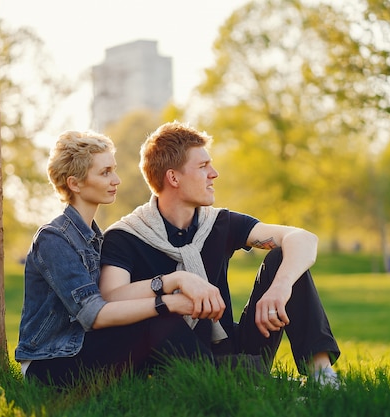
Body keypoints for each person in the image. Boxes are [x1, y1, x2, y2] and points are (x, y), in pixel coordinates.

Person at [99, 121, 341, 387]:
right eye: (203, 167)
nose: (213, 174)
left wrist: (280, 287)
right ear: (173, 177)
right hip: (172, 356)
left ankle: (323, 378)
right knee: (160, 319)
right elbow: (111, 297)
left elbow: (302, 238)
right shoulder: (126, 234)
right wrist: (173, 282)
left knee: (283, 258)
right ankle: (256, 380)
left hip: (229, 345)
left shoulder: (217, 223)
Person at [15, 130, 213, 387]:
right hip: (51, 363)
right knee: (159, 321)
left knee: (159, 330)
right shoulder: (53, 239)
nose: (116, 180)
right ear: (75, 184)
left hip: (84, 348)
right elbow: (93, 315)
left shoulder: (97, 238)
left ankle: (222, 375)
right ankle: (227, 380)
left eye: (114, 170)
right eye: (105, 172)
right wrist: (169, 303)